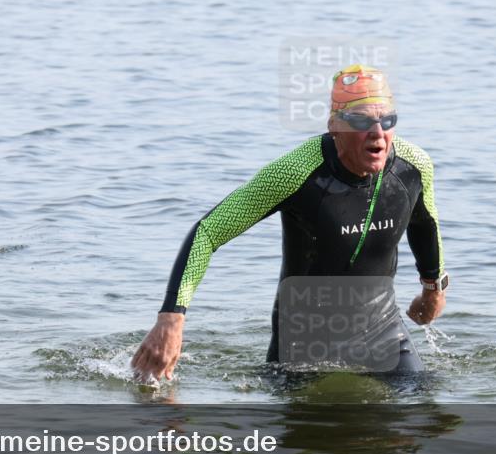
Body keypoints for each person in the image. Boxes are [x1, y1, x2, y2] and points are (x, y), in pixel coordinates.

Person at [131, 64, 448, 382]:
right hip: (304, 341)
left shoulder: (413, 165)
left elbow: (424, 224)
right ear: (334, 125)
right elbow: (208, 232)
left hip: (382, 330)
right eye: (361, 121)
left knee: (426, 414)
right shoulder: (296, 173)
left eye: (387, 120)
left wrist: (433, 288)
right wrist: (172, 318)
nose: (378, 133)